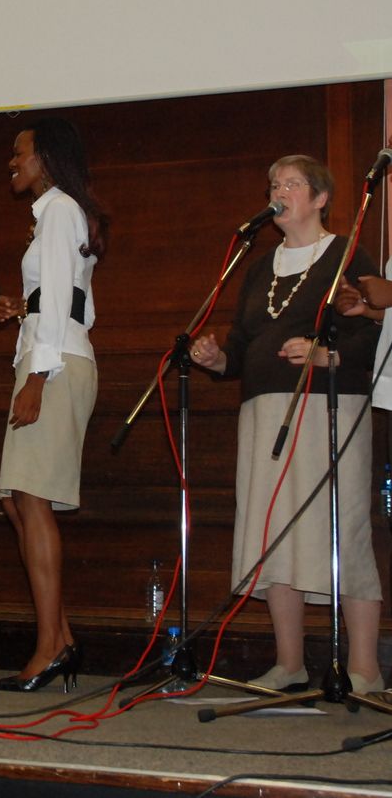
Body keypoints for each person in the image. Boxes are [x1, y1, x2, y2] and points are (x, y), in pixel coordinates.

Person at [191, 155, 384, 694]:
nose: (279, 192)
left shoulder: (346, 254)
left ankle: (365, 668)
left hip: (327, 407)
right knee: (272, 532)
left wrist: (327, 354)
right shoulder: (259, 267)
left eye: (291, 184)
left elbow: (372, 330)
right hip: (262, 413)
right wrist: (216, 360)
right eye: (274, 184)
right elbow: (240, 345)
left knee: (340, 527)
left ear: (320, 198)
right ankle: (290, 663)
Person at [0, 118, 106, 693]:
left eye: (20, 152)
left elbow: (60, 298)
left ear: (47, 157)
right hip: (49, 356)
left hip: (51, 366)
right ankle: (61, 639)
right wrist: (25, 308)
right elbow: (65, 298)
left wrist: (37, 376)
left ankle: (50, 647)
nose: (12, 161)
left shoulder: (57, 209)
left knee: (30, 500)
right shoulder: (57, 213)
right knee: (17, 498)